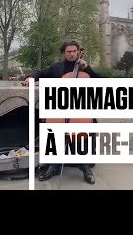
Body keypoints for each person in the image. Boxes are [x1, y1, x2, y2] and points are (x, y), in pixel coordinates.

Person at [24, 40, 100, 185]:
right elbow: (41, 73)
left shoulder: (85, 69)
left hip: (80, 112)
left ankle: (85, 168)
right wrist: (31, 77)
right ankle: (54, 166)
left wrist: (88, 69)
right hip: (59, 110)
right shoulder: (56, 67)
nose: (72, 54)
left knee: (81, 138)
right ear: (63, 53)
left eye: (74, 51)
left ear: (78, 52)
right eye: (68, 52)